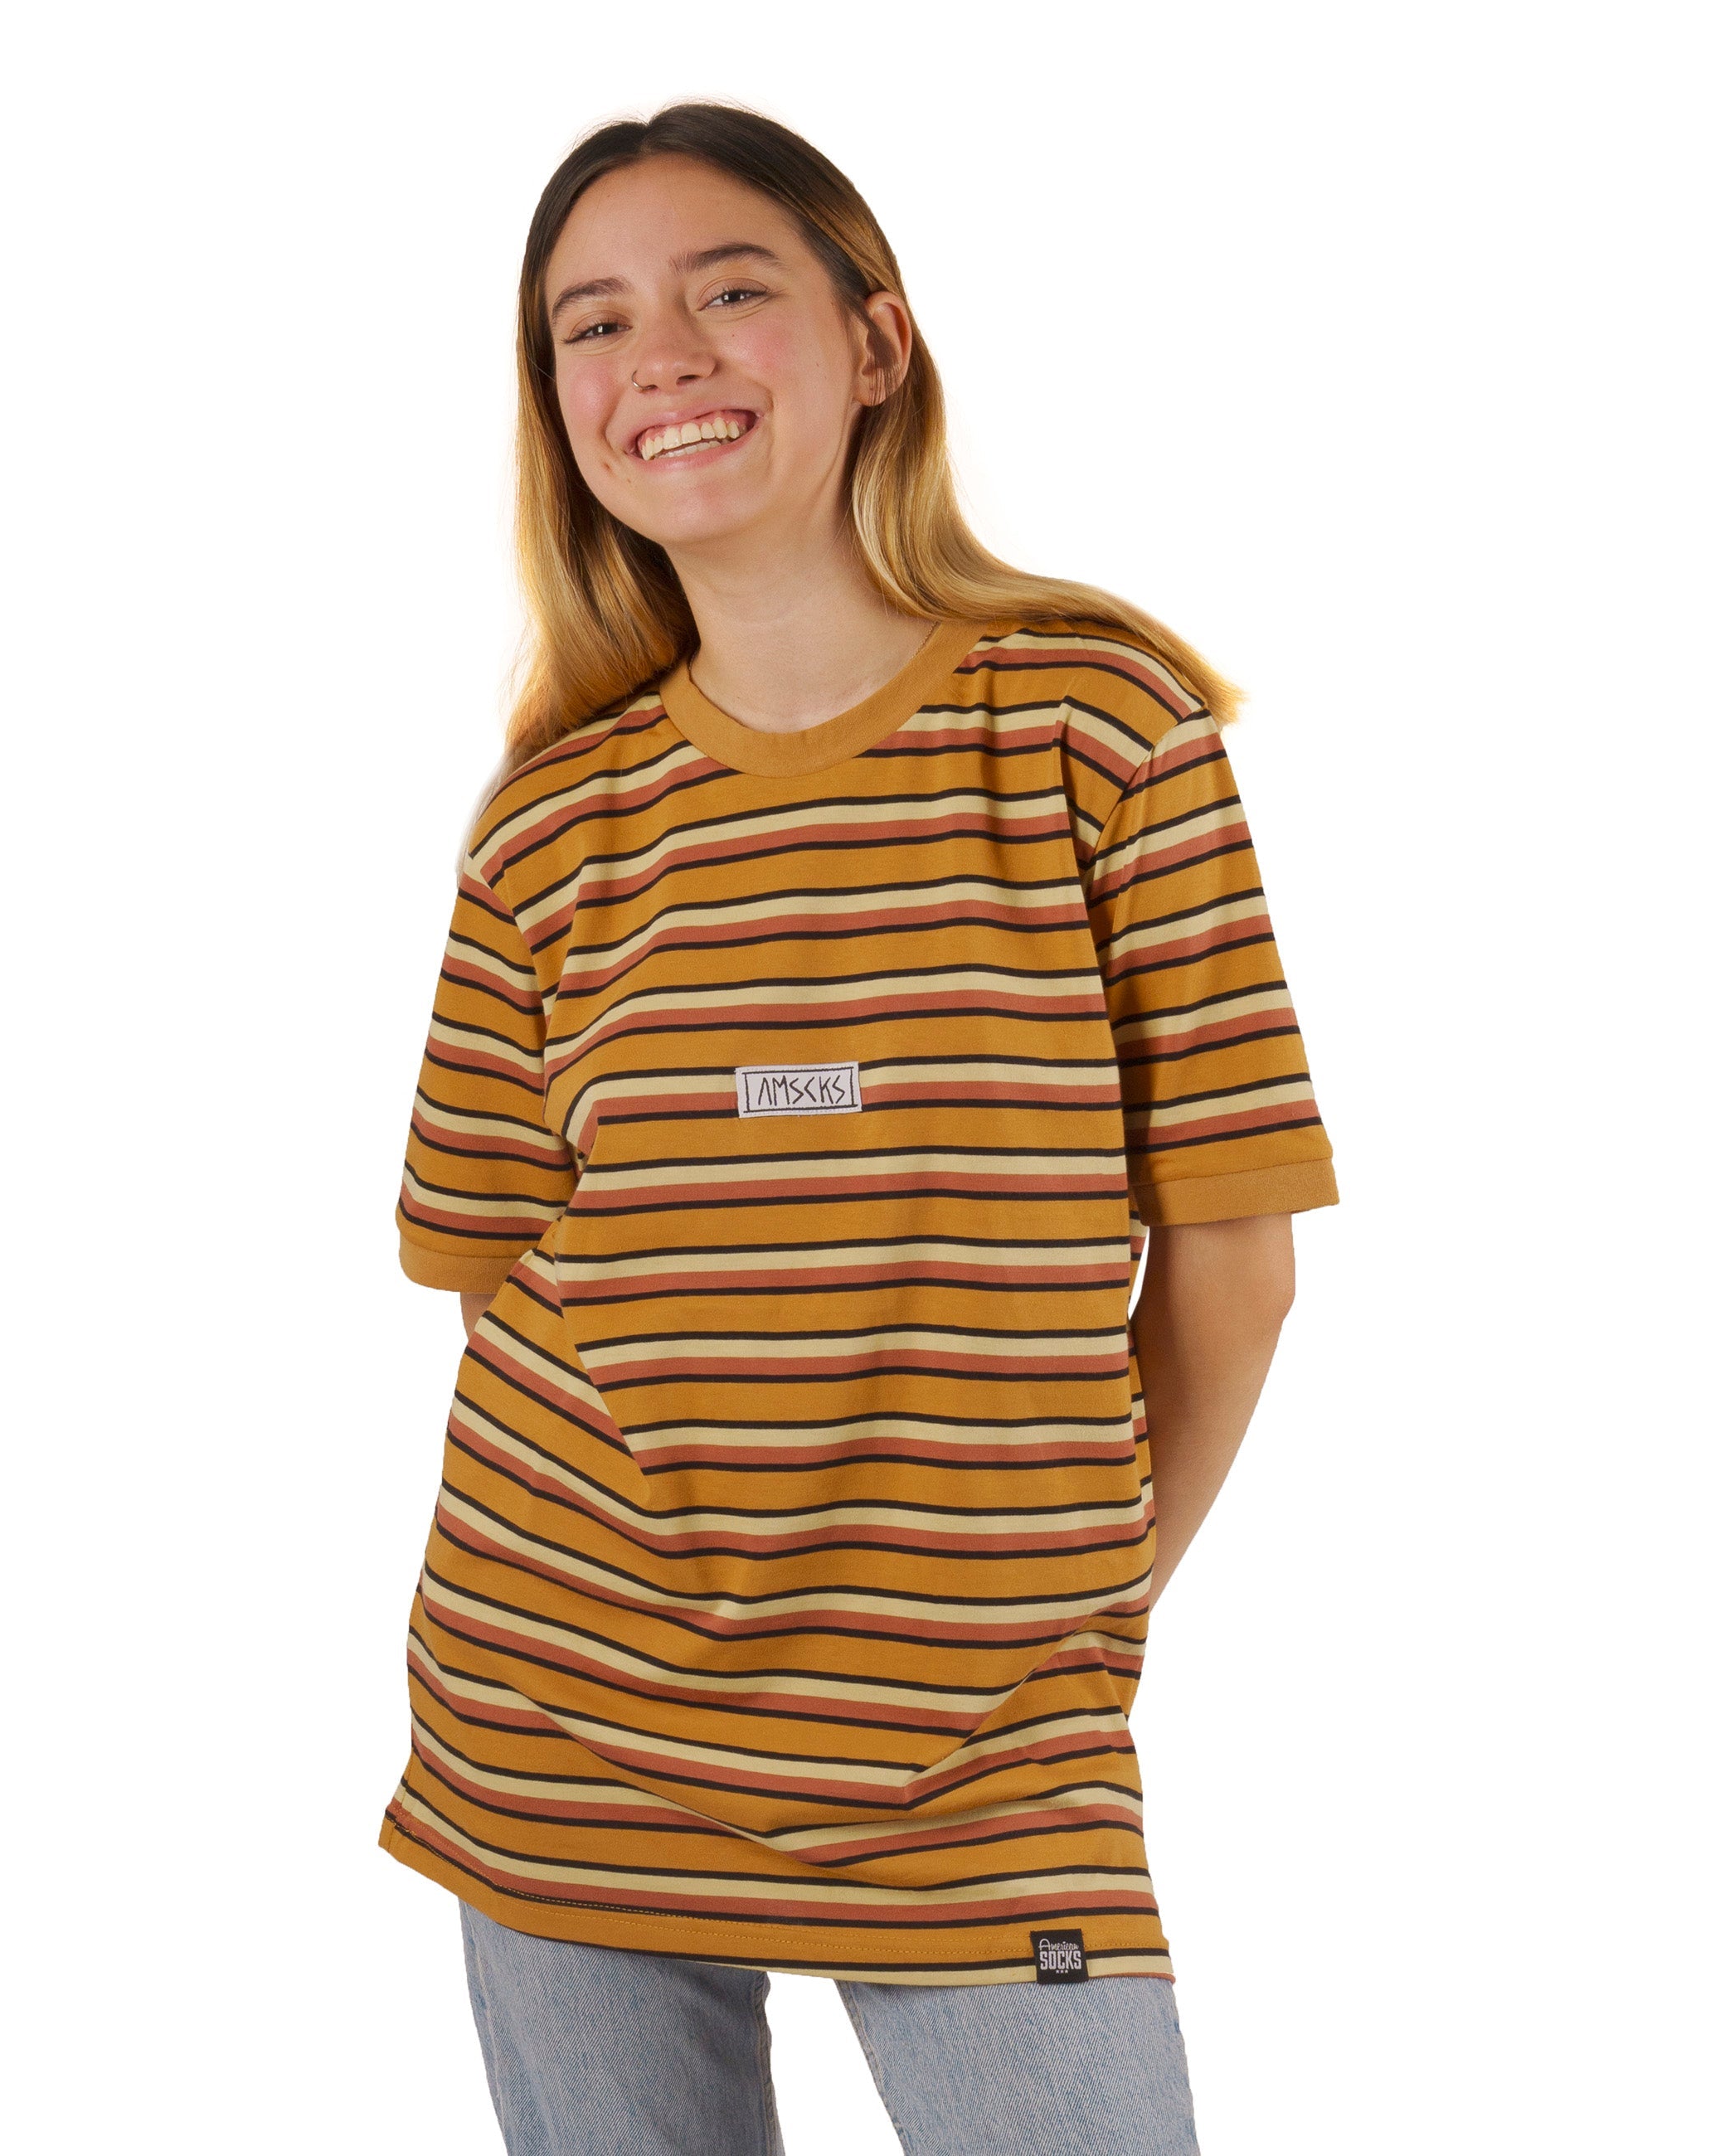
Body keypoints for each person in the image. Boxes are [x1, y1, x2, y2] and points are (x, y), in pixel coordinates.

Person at [380, 100, 1338, 2156]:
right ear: (557, 404)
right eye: (592, 322)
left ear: (874, 342)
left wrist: (1069, 1627)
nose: (662, 356)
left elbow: (1235, 1266)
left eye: (729, 290)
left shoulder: (1096, 730)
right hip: (566, 1729)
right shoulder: (547, 827)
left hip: (989, 1757)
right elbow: (497, 1274)